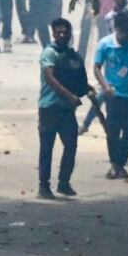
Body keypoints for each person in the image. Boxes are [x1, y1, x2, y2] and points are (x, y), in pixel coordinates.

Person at [92, 5, 128, 181]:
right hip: (114, 96)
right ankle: (114, 165)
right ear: (117, 29)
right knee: (112, 131)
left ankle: (120, 164)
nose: (126, 37)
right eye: (123, 33)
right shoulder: (105, 44)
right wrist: (105, 86)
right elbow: (96, 68)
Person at [37, 17, 87, 198]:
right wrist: (70, 96)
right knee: (47, 148)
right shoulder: (49, 53)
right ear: (53, 34)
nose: (62, 35)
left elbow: (79, 79)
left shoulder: (73, 55)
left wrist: (84, 90)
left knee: (71, 145)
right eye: (58, 32)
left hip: (67, 109)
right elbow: (50, 78)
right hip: (49, 107)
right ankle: (44, 186)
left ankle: (64, 182)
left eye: (65, 32)